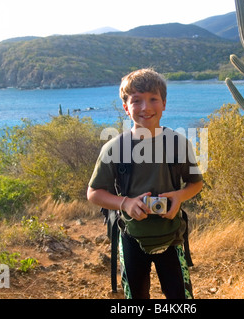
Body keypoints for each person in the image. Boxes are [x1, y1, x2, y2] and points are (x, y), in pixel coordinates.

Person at [87, 68, 203, 299]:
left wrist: (179, 197)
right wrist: (126, 203)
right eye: (136, 101)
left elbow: (196, 183)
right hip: (131, 237)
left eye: (153, 99)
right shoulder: (114, 148)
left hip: (172, 236)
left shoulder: (178, 143)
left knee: (180, 297)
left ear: (164, 104)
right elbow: (93, 193)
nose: (145, 108)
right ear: (126, 107)